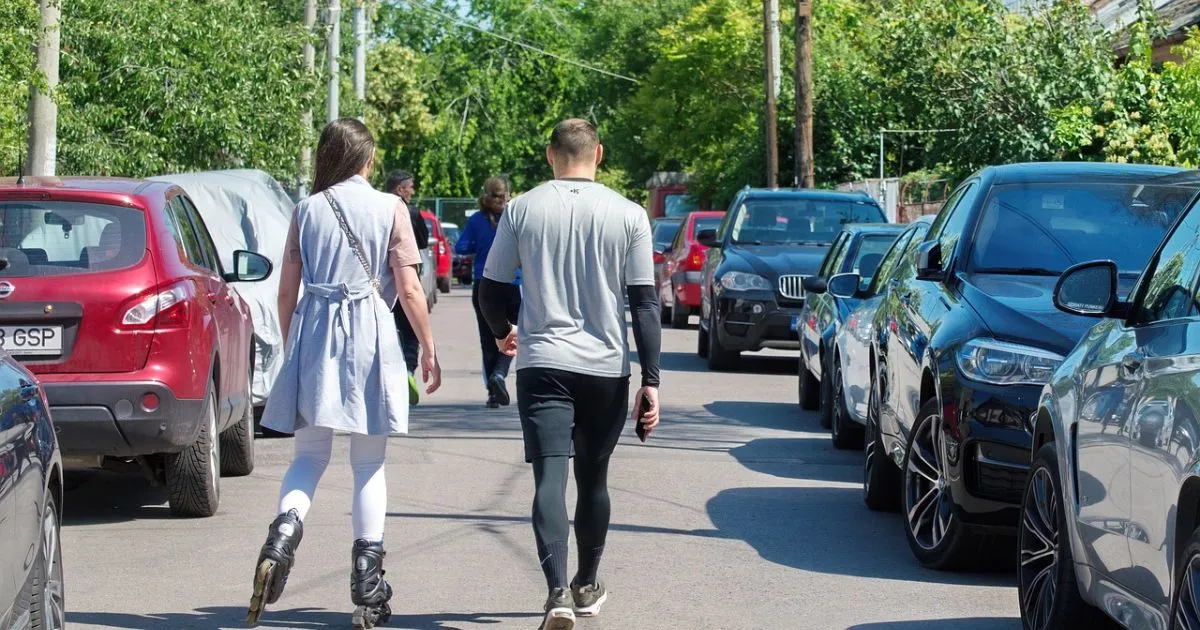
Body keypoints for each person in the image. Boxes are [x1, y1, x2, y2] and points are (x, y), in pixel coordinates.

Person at [246, 119, 442, 630]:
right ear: (367, 161)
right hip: (370, 336)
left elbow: (286, 291)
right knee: (368, 463)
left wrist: (295, 346)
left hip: (315, 331)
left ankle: (282, 537)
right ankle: (367, 581)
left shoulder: (306, 209)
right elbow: (410, 287)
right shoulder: (391, 208)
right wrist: (427, 346)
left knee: (309, 455)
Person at [477, 119, 662, 630]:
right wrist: (651, 380)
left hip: (542, 364)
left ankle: (556, 592)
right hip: (605, 368)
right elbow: (645, 304)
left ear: (549, 154)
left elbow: (489, 289)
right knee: (594, 478)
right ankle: (586, 584)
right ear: (598, 153)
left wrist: (502, 332)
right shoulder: (629, 215)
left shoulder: (521, 209)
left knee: (549, 477)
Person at [455, 176, 522, 408]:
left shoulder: (476, 220)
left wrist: (479, 246)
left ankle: (493, 393)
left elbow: (460, 247)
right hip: (513, 284)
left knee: (488, 337)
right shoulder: (514, 218)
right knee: (514, 333)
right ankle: (500, 374)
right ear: (507, 194)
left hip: (483, 285)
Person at [384, 170, 429, 406]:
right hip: (408, 277)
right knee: (411, 329)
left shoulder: (378, 209)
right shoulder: (410, 212)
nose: (412, 191)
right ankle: (409, 371)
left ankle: (389, 375)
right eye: (410, 187)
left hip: (383, 284)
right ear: (400, 189)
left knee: (387, 330)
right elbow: (422, 241)